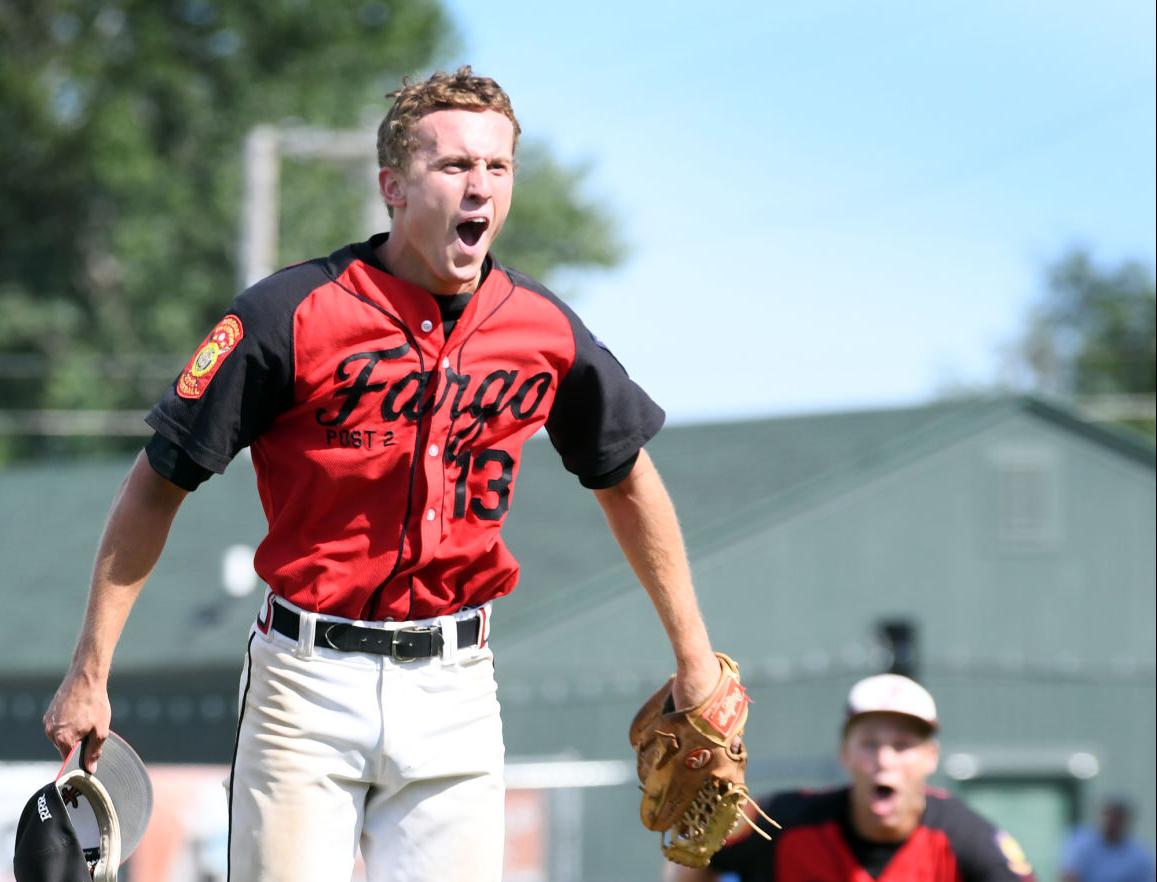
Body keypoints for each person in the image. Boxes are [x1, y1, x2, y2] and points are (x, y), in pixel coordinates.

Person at [42, 66, 721, 882]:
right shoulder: (288, 314)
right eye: (454, 165)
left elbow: (627, 480)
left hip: (456, 686)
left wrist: (696, 661)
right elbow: (155, 486)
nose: (479, 185)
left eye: (497, 166)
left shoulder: (540, 328)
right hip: (306, 683)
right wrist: (89, 673)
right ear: (392, 186)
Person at [667, 673, 1037, 882]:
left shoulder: (964, 838)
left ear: (931, 757)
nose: (884, 759)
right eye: (869, 743)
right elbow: (693, 859)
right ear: (844, 753)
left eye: (903, 745)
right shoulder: (785, 822)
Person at [1060, 797, 1155, 882]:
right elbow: (1070, 875)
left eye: (1117, 817)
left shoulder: (1139, 855)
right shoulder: (1080, 843)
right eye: (1108, 815)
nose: (1111, 821)